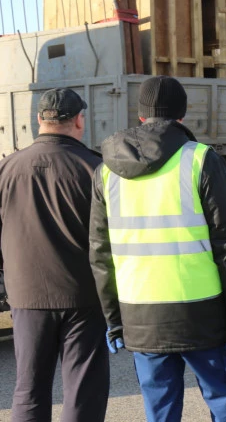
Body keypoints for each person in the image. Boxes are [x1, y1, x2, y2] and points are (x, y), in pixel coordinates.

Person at [89, 76, 226, 422]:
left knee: (160, 411)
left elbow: (100, 254)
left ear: (140, 117)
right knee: (224, 401)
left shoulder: (106, 171)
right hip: (202, 314)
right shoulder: (199, 160)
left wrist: (113, 320)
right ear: (182, 115)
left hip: (140, 315)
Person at [0, 89, 110, 421]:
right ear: (79, 120)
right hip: (83, 296)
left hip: (26, 295)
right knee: (83, 389)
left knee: (29, 389)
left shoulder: (7, 168)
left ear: (39, 120)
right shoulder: (95, 169)